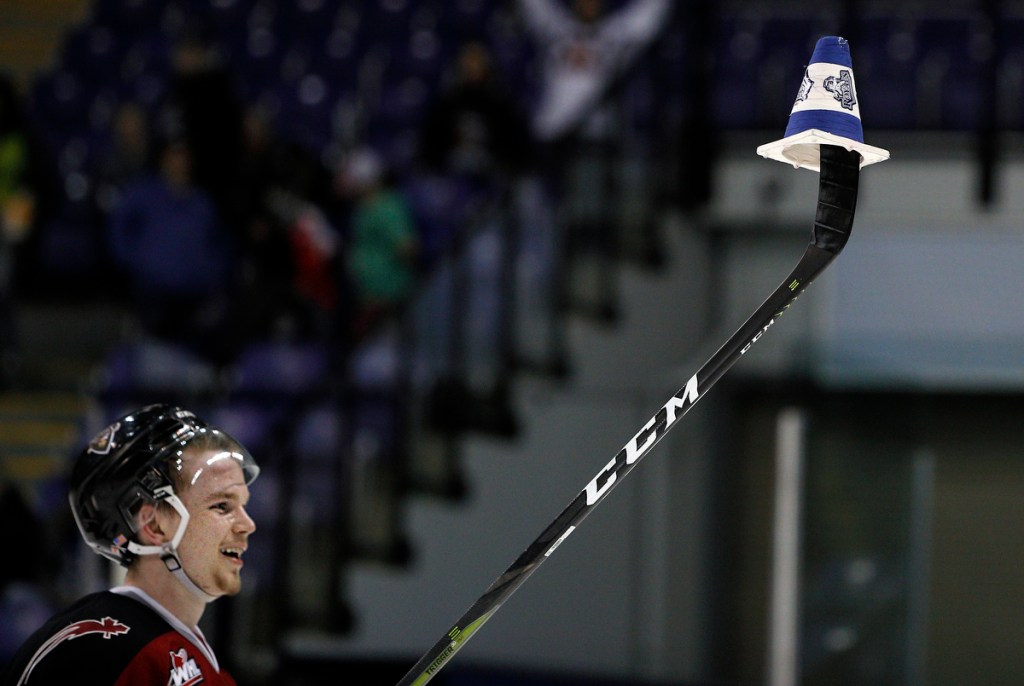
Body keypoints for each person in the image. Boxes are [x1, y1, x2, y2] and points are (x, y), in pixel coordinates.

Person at [0, 404, 260, 685]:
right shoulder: (107, 655)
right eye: (222, 506)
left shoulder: (170, 647)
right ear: (154, 526)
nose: (248, 524)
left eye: (243, 505)